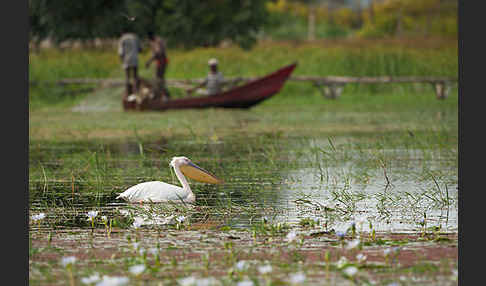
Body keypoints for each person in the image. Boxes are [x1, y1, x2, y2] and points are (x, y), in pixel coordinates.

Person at [145, 31, 170, 100]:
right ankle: (161, 94)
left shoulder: (157, 41)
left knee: (159, 79)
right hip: (160, 61)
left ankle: (164, 95)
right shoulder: (156, 41)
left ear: (150, 37)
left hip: (161, 61)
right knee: (159, 79)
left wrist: (149, 61)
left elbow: (158, 53)